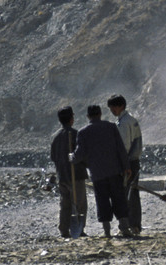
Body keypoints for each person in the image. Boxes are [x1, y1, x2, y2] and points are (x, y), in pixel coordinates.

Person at [72, 104, 129, 239]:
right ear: (100, 114)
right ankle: (125, 228)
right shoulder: (111, 127)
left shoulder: (83, 132)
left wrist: (71, 157)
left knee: (102, 201)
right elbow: (121, 149)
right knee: (119, 199)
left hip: (97, 174)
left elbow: (79, 155)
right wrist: (126, 167)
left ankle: (107, 232)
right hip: (115, 171)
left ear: (88, 116)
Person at [108, 95, 144, 238]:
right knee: (133, 194)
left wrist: (121, 165)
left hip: (127, 163)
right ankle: (135, 225)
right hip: (134, 161)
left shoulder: (123, 124)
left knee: (125, 195)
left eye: (113, 107)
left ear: (120, 106)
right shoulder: (131, 120)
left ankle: (128, 226)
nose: (111, 110)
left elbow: (124, 147)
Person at [50, 107, 88, 239]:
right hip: (75, 176)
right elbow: (82, 154)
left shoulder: (55, 137)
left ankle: (64, 229)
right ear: (71, 118)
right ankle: (79, 229)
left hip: (62, 176)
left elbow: (53, 157)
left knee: (65, 204)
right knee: (79, 203)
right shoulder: (76, 134)